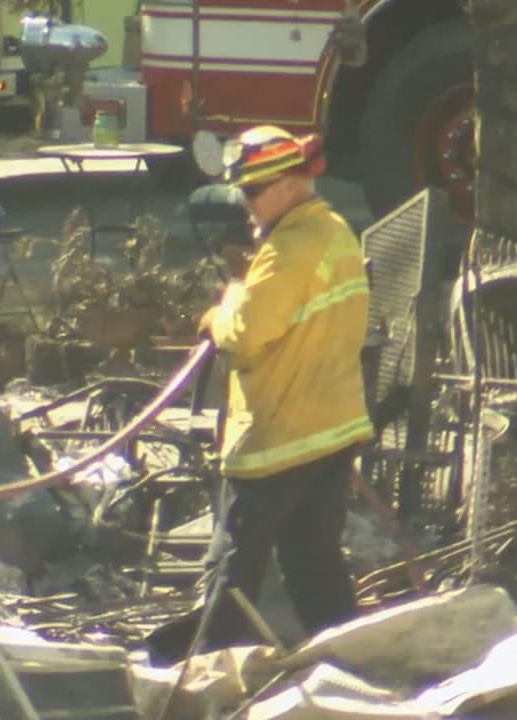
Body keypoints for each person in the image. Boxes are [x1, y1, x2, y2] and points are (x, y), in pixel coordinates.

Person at [196, 124, 374, 650]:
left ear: (290, 183)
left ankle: (205, 681)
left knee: (229, 574)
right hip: (330, 435)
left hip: (278, 442)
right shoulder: (335, 231)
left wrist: (217, 312)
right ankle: (350, 670)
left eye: (252, 191)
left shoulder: (290, 246)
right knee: (314, 568)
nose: (246, 204)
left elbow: (246, 335)